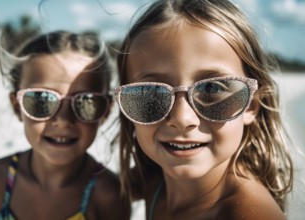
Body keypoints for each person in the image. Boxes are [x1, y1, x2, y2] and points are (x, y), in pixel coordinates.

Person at [114, 0, 293, 219]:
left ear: (251, 106)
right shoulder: (152, 180)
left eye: (212, 88)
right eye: (150, 92)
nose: (182, 118)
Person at [0, 30, 130, 220]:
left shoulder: (109, 194)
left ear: (105, 110)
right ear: (17, 107)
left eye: (86, 102)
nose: (63, 120)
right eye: (41, 100)